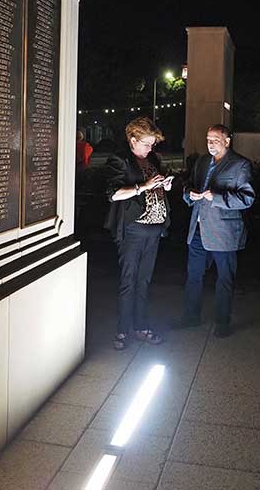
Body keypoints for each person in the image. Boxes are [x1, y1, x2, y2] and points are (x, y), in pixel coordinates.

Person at [173, 125, 255, 337]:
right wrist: (189, 194)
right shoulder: (201, 162)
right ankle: (191, 316)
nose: (210, 144)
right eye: (208, 139)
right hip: (198, 228)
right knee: (193, 275)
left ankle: (222, 321)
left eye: (215, 140)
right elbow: (189, 185)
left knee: (225, 278)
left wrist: (216, 197)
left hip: (224, 232)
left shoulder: (240, 165)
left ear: (227, 141)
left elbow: (247, 199)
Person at [103, 117, 173, 350]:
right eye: (146, 144)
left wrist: (165, 185)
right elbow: (113, 194)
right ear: (133, 140)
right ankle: (123, 330)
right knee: (129, 281)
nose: (150, 148)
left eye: (152, 144)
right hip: (133, 230)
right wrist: (143, 186)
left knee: (144, 281)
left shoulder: (151, 158)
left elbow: (155, 184)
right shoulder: (120, 160)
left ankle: (141, 326)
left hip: (154, 229)